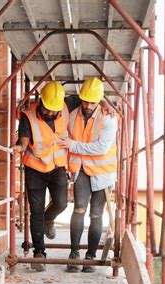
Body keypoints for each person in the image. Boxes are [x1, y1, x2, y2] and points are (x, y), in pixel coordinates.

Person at [56, 77, 118, 273]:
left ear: (100, 100)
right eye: (85, 101)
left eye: (93, 102)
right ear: (80, 98)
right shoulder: (73, 111)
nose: (88, 105)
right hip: (81, 168)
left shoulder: (108, 118)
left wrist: (72, 145)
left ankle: (90, 257)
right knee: (80, 208)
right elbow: (56, 102)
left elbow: (101, 148)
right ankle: (74, 254)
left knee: (96, 213)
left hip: (102, 172)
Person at [12, 81, 71, 271]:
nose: (51, 113)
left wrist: (103, 104)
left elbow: (88, 102)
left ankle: (49, 219)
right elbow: (24, 142)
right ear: (41, 101)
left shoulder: (66, 104)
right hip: (35, 168)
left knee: (61, 203)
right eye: (48, 109)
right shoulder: (28, 116)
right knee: (35, 210)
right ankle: (39, 253)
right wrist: (18, 148)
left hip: (58, 167)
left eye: (55, 110)